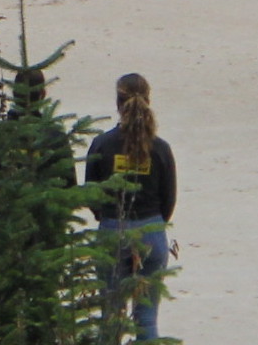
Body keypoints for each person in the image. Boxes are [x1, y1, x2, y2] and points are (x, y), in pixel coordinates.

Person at [84, 73, 176, 342]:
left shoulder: (102, 143)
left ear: (117, 102)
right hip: (151, 229)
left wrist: (106, 216)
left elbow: (92, 192)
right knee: (146, 319)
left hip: (113, 229)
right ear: (148, 100)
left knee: (111, 317)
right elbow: (169, 198)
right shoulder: (160, 149)